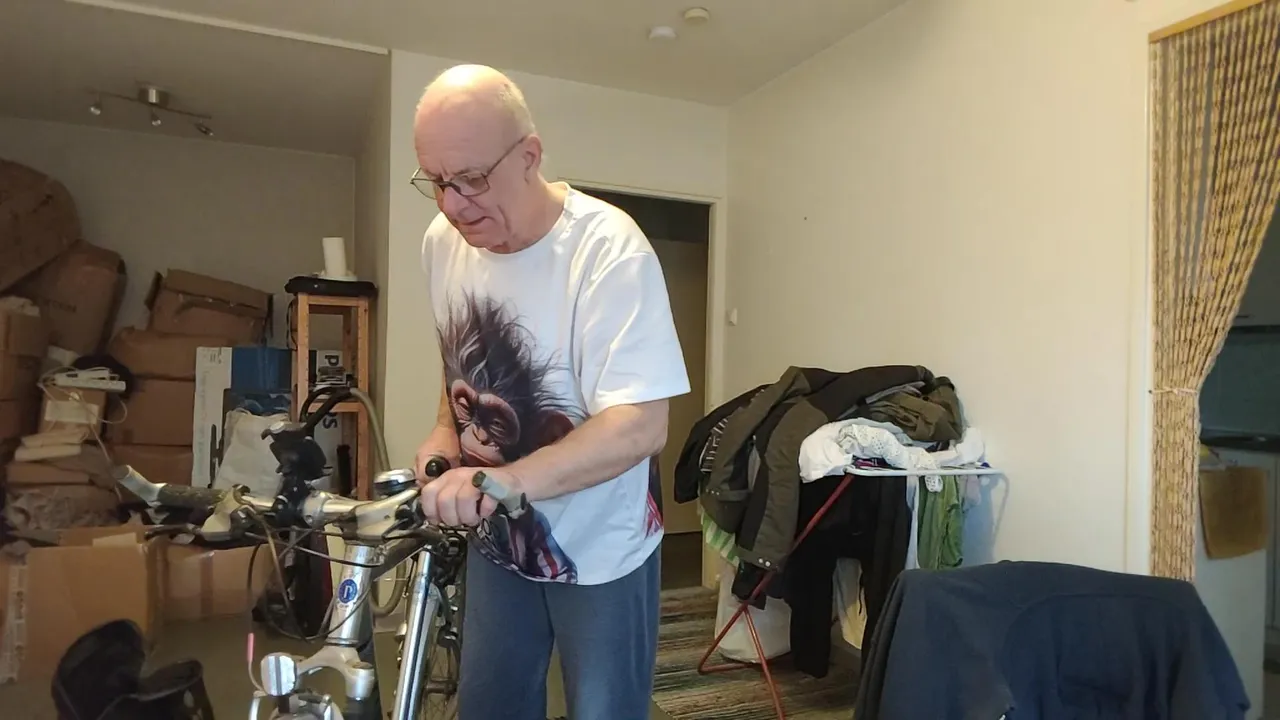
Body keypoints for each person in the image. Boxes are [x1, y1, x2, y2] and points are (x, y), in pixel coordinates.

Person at [411, 64, 690, 720]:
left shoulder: (609, 251)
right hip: (496, 538)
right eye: (437, 182)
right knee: (491, 706)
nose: (453, 205)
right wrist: (445, 431)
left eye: (472, 179)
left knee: (604, 711)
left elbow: (641, 424)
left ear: (529, 156)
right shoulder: (443, 244)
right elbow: (458, 368)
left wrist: (505, 481)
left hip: (602, 548)